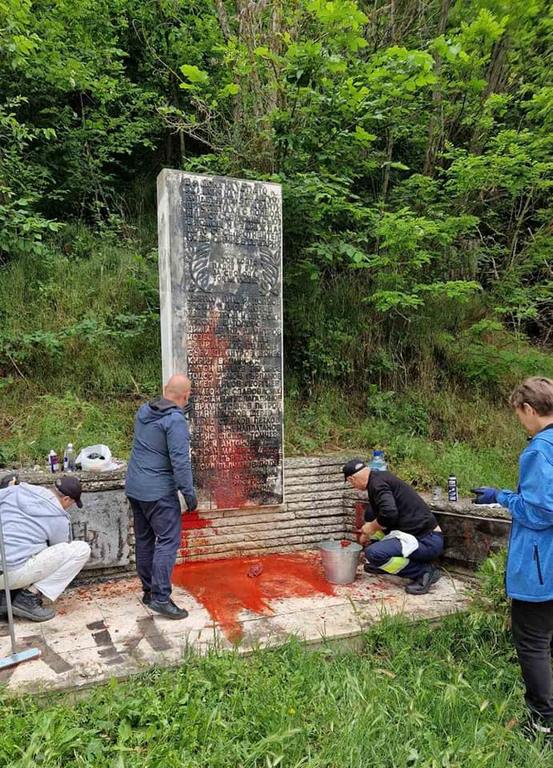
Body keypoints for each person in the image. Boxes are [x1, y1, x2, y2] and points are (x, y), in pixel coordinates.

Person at [472, 376, 553, 739]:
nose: (520, 421)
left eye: (519, 414)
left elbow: (540, 511)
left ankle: (542, 722)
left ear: (529, 409)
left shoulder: (538, 451)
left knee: (533, 643)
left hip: (541, 565)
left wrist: (501, 497)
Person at [125, 373, 198, 620]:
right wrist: (189, 493)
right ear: (186, 396)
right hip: (158, 492)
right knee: (167, 541)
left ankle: (149, 591)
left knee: (145, 540)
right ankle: (161, 598)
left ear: (166, 389)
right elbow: (180, 461)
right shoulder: (175, 421)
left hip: (135, 488)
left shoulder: (144, 411)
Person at [343, 458, 444, 595]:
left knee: (374, 554)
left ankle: (423, 572)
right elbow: (382, 513)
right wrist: (368, 533)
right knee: (371, 513)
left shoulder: (377, 485)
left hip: (427, 541)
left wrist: (370, 528)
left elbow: (389, 513)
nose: (353, 486)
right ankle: (383, 563)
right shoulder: (379, 478)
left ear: (351, 479)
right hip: (418, 535)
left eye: (351, 483)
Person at [0, 474, 90, 622]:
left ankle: (4, 597)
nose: (70, 506)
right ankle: (28, 598)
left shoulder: (16, 490)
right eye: (72, 503)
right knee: (81, 549)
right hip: (12, 574)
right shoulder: (58, 516)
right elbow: (59, 548)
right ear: (66, 499)